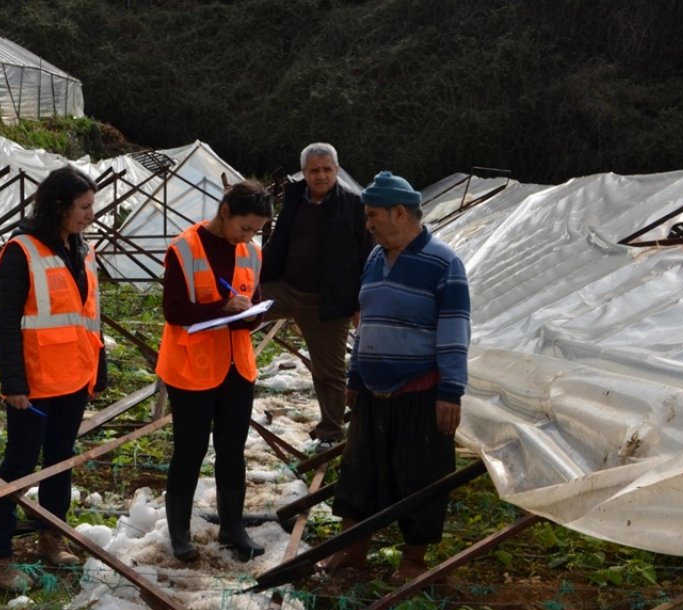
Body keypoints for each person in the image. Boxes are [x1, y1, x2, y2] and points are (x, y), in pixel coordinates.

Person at [317, 171, 470, 582]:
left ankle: (412, 561)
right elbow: (364, 323)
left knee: (420, 477)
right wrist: (354, 374)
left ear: (399, 213)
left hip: (420, 392)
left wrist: (450, 392)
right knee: (359, 473)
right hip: (372, 390)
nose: (367, 224)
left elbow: (455, 331)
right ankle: (353, 551)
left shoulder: (443, 262)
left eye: (372, 216)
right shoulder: (374, 258)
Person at [0, 165, 108, 592]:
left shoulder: (83, 249)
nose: (92, 213)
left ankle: (52, 538)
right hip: (35, 382)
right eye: (84, 207)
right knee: (18, 464)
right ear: (58, 206)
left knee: (61, 460)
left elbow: (89, 316)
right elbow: (6, 322)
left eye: (92, 205)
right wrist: (12, 382)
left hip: (74, 375)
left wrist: (98, 366)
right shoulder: (23, 250)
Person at [157, 180, 274, 562]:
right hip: (192, 368)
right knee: (189, 449)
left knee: (232, 449)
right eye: (245, 228)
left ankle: (232, 526)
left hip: (236, 367)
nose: (248, 237)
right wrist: (221, 310)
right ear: (225, 212)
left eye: (255, 230)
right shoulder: (184, 249)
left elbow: (251, 304)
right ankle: (179, 533)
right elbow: (174, 311)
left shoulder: (251, 252)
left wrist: (248, 315)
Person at [260, 143, 371, 442]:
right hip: (284, 287)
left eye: (326, 169)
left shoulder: (353, 205)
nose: (321, 176)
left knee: (329, 371)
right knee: (238, 311)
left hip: (325, 300)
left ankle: (332, 429)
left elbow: (367, 255)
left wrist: (360, 303)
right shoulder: (295, 199)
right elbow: (279, 239)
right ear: (305, 173)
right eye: (314, 170)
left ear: (336, 170)